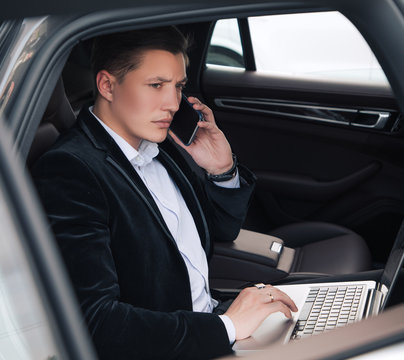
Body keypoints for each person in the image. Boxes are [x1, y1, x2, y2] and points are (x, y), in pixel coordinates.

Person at [32, 26, 297, 360]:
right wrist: (229, 326)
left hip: (216, 328)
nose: (173, 103)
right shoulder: (70, 171)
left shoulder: (161, 143)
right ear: (107, 85)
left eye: (179, 86)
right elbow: (96, 323)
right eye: (156, 85)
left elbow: (222, 231)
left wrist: (221, 170)